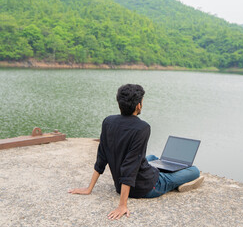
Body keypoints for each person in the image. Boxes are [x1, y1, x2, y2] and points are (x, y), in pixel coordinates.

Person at [69, 84, 204, 220]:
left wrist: (89, 188)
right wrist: (122, 205)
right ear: (138, 105)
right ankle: (175, 181)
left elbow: (102, 156)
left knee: (152, 157)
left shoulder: (108, 121)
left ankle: (160, 167)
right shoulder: (142, 128)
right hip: (146, 187)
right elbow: (130, 166)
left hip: (120, 185)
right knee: (194, 171)